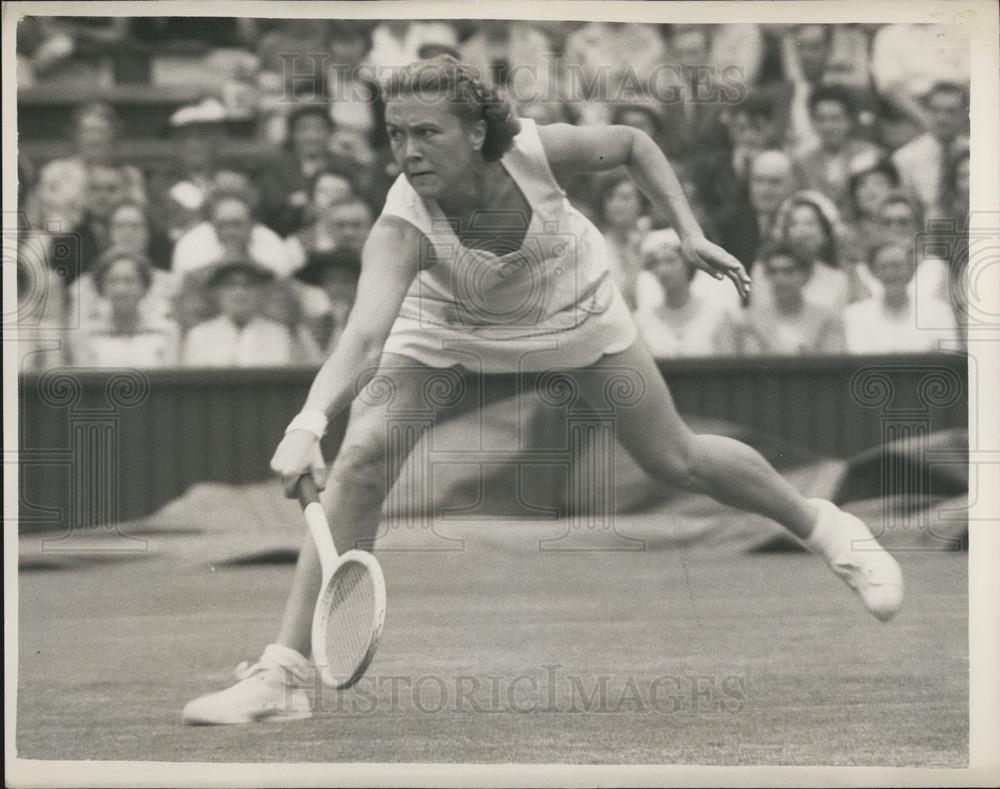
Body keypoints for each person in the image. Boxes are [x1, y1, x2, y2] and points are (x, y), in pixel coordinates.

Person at [182, 56, 902, 725]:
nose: (408, 151)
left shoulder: (536, 150)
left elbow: (632, 143)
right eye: (397, 134)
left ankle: (828, 530)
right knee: (362, 459)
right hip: (446, 321)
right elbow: (364, 339)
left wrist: (688, 233)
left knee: (675, 458)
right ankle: (283, 676)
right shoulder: (401, 228)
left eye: (427, 132)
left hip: (571, 305)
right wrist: (308, 421)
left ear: (476, 132)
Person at [181, 258, 321, 368]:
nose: (240, 292)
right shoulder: (198, 335)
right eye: (230, 285)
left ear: (261, 292)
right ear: (217, 292)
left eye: (248, 285)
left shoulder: (280, 334)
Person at [719, 242, 846, 356]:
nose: (779, 279)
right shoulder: (749, 321)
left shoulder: (827, 319)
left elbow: (833, 362)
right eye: (773, 272)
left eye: (788, 271)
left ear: (806, 275)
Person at [67, 249, 181, 368]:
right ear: (101, 288)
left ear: (145, 287)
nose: (121, 289)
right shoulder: (84, 335)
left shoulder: (167, 332)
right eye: (112, 281)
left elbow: (171, 377)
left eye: (129, 281)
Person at [844, 241, 959, 354]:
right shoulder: (855, 315)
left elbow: (949, 358)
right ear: (873, 272)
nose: (891, 274)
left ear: (912, 270)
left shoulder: (938, 312)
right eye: (883, 267)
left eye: (897, 266)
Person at [634, 229, 732, 358]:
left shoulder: (716, 316)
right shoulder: (642, 321)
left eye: (670, 260)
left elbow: (730, 365)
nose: (663, 270)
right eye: (655, 263)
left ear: (687, 263)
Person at [891, 82, 969, 222]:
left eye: (951, 111)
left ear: (964, 114)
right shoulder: (905, 158)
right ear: (926, 112)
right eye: (935, 110)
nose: (942, 118)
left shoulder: (978, 153)